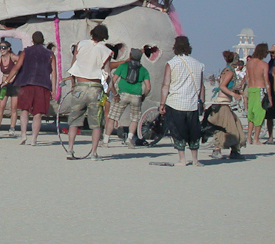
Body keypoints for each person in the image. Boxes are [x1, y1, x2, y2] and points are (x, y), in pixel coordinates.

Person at [65, 24, 112, 160]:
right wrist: (109, 91)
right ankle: (93, 153)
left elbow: (73, 64)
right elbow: (107, 73)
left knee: (74, 120)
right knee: (96, 123)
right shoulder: (106, 51)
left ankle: (70, 149)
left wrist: (73, 84)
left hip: (80, 85)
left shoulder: (81, 44)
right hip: (95, 88)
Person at [159, 36, 206, 167]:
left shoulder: (172, 63)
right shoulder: (198, 64)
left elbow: (165, 85)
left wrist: (162, 103)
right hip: (192, 103)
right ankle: (195, 160)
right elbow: (201, 86)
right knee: (193, 131)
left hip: (176, 102)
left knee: (178, 131)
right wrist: (202, 102)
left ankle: (182, 159)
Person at [5, 31, 57, 145]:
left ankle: (24, 135)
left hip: (26, 84)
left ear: (32, 41)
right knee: (38, 113)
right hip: (42, 85)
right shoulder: (50, 54)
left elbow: (16, 68)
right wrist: (54, 90)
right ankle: (34, 139)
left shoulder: (26, 52)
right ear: (43, 40)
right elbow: (54, 74)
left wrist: (7, 80)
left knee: (24, 110)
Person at [103, 48, 150, 148]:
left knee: (112, 117)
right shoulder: (144, 70)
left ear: (130, 55)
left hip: (122, 94)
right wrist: (143, 96)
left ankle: (106, 140)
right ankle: (129, 138)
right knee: (134, 118)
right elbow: (148, 87)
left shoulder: (123, 66)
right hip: (136, 96)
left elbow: (113, 81)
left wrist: (114, 93)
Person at [208, 51, 246, 159]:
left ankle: (234, 150)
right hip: (222, 103)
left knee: (234, 125)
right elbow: (223, 86)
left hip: (224, 103)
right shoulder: (229, 72)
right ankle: (218, 150)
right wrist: (234, 94)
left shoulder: (227, 70)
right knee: (229, 128)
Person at [244, 43, 272, 145]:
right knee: (259, 115)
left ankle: (249, 138)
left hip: (251, 89)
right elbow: (267, 81)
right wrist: (270, 97)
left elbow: (247, 77)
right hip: (260, 89)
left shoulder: (249, 63)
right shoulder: (264, 64)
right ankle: (256, 139)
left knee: (251, 114)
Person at [266, 45, 275, 144]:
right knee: (269, 116)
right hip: (270, 91)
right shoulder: (270, 62)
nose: (272, 54)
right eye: (271, 53)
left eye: (273, 52)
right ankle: (270, 136)